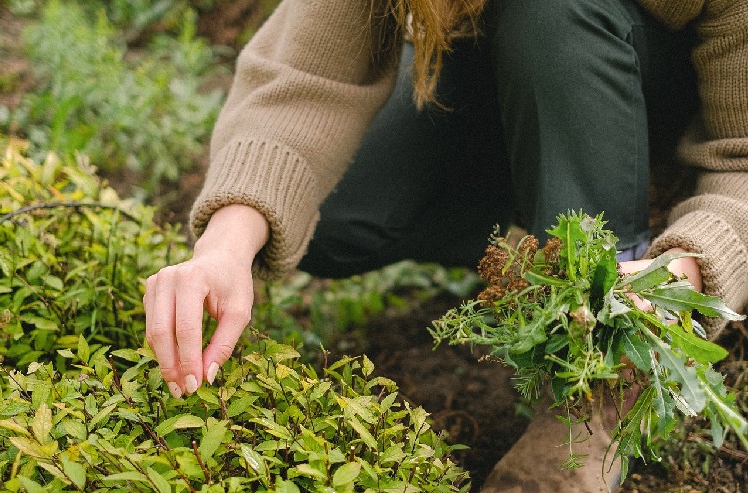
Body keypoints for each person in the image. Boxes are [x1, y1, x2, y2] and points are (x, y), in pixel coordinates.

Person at [144, 0, 748, 491]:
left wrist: (685, 270)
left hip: (642, 91)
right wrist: (224, 245)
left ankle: (601, 368)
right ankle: (536, 250)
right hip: (509, 74)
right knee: (332, 208)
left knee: (554, 12)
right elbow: (307, 77)